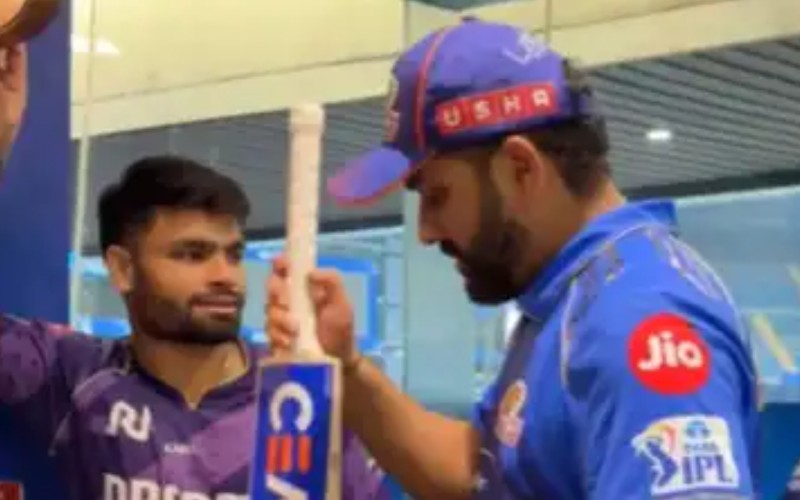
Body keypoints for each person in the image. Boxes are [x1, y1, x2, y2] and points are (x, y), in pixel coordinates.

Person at [267, 18, 760, 499]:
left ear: (521, 168)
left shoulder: (636, 323)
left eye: (437, 195)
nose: (425, 231)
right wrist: (347, 366)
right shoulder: (571, 297)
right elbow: (480, 472)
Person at [0, 42, 390, 499]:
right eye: (192, 254)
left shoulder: (299, 402)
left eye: (234, 254)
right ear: (122, 269)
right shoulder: (75, 377)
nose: (225, 275)